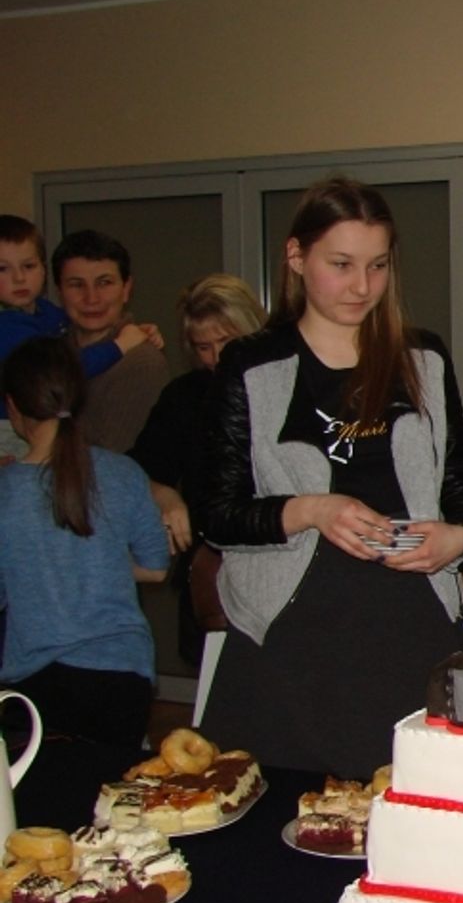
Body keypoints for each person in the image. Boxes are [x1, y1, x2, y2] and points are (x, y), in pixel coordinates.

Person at [199, 177, 463, 776]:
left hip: (410, 621)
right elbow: (218, 514)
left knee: (421, 800)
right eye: (342, 265)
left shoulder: (425, 358)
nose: (362, 286)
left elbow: (461, 485)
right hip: (293, 631)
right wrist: (311, 509)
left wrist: (456, 539)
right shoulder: (252, 364)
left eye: (378, 266)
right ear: (296, 257)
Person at [0, 338, 169, 746]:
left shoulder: (6, 489)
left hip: (37, 682)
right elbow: (156, 568)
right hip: (123, 675)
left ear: (13, 406)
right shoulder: (124, 473)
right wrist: (97, 561)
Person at [129, 273, 266, 664]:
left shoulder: (288, 386)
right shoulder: (184, 396)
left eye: (227, 341)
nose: (217, 357)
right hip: (211, 571)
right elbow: (139, 468)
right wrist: (165, 495)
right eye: (204, 347)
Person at [0, 215, 158, 460]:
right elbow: (60, 370)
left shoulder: (45, 313)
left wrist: (136, 331)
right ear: (60, 289)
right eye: (2, 269)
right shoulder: (8, 326)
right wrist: (120, 345)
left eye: (28, 266)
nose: (19, 278)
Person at [52, 229, 170, 453]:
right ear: (59, 291)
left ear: (126, 289)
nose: (91, 298)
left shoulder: (142, 362)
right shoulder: (49, 348)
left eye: (104, 283)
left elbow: (114, 459)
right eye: (76, 285)